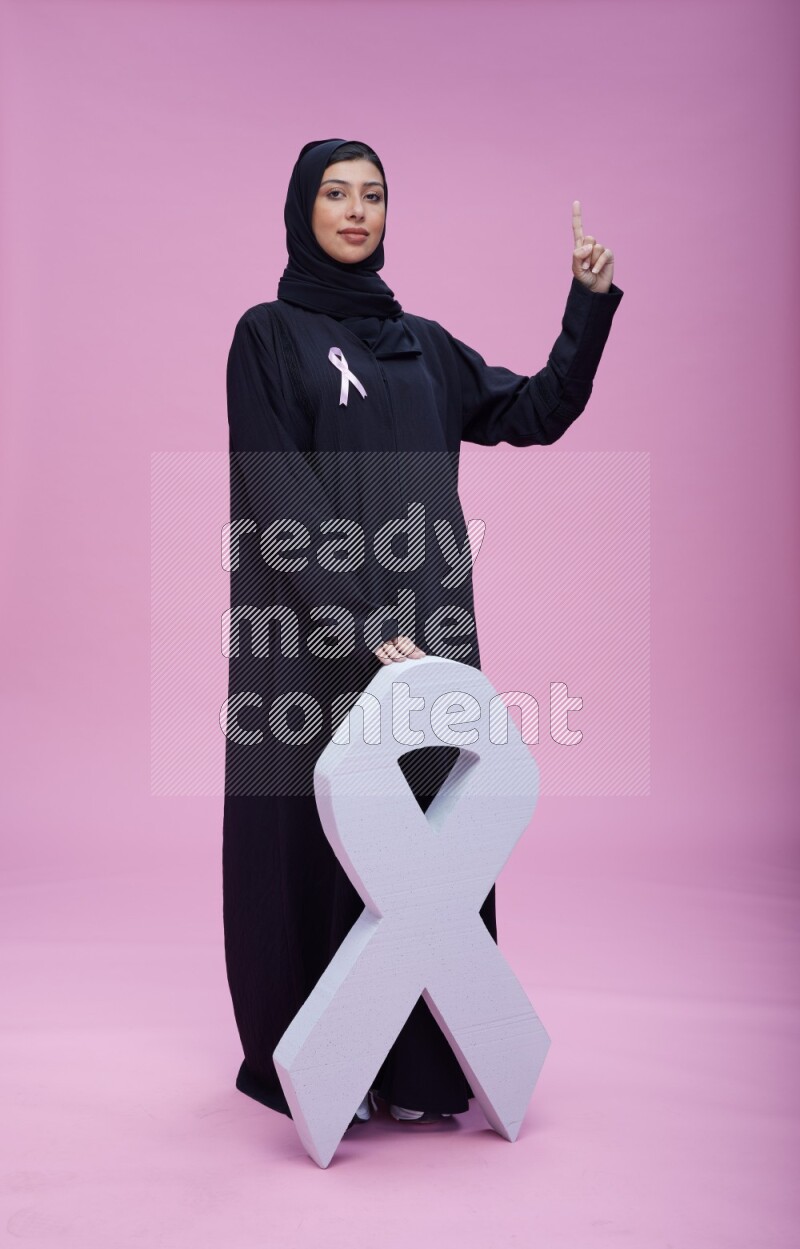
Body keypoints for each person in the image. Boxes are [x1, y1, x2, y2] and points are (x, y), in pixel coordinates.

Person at [222, 137, 624, 1128]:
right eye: (336, 193)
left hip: (427, 642)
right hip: (313, 642)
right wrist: (357, 624)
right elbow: (279, 494)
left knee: (429, 846)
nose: (356, 211)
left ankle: (421, 1069)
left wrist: (585, 307)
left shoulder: (424, 346)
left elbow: (533, 410)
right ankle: (319, 1069)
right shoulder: (267, 337)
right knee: (317, 841)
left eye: (373, 195)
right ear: (301, 209)